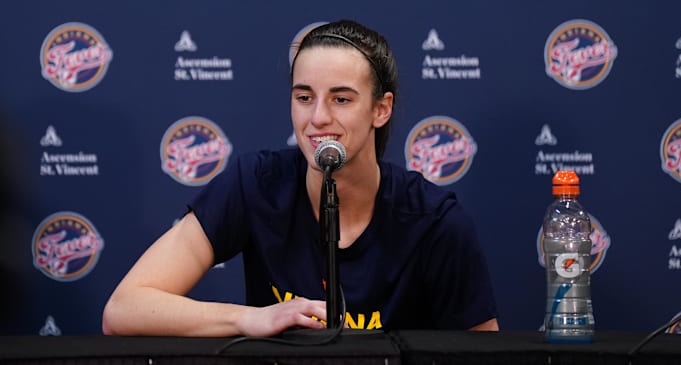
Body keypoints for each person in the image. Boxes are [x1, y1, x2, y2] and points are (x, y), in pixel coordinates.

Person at [102, 19, 498, 337]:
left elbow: (482, 354)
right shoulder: (256, 182)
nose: (318, 118)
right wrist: (250, 319)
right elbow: (124, 309)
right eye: (304, 97)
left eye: (341, 99)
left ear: (381, 109)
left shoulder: (435, 221)